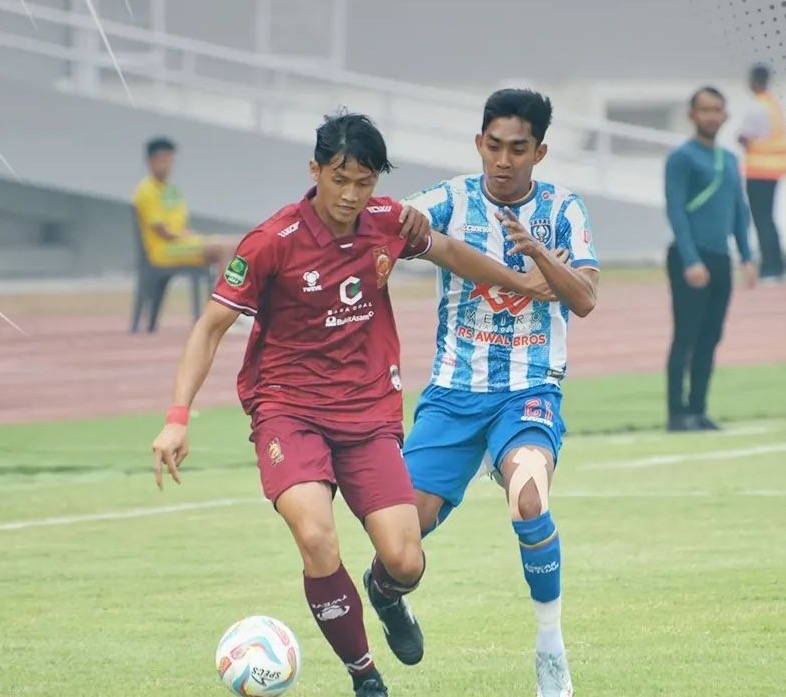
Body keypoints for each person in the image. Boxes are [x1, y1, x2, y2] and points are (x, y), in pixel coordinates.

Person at [150, 111, 562, 697]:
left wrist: (518, 283)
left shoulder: (388, 221)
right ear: (315, 169)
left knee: (405, 560)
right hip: (287, 411)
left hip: (368, 417)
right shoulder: (272, 241)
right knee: (317, 536)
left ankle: (388, 597)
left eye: (363, 182)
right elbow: (211, 326)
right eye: (339, 179)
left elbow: (447, 250)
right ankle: (364, 675)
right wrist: (176, 418)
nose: (350, 195)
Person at [363, 88, 599, 697]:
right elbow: (386, 217)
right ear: (479, 144)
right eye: (493, 146)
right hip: (452, 394)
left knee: (528, 496)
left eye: (517, 149)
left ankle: (550, 647)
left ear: (539, 152)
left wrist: (541, 255)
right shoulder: (451, 199)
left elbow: (585, 298)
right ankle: (386, 597)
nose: (503, 160)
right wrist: (401, 219)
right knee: (399, 549)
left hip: (528, 388)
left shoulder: (564, 210)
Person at [665, 87, 756, 432]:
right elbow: (676, 210)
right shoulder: (682, 158)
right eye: (704, 110)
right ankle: (677, 414)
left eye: (717, 110)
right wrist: (690, 260)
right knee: (685, 336)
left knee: (711, 337)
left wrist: (747, 255)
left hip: (720, 259)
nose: (711, 116)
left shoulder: (730, 159)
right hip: (690, 257)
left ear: (726, 115)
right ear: (692, 115)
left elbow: (739, 210)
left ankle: (698, 409)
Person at [133, 137, 240, 272]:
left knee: (240, 244)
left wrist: (191, 236)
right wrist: (189, 237)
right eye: (163, 161)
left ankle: (237, 290)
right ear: (151, 162)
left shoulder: (172, 189)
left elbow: (181, 222)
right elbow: (163, 232)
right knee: (224, 249)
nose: (168, 165)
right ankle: (225, 292)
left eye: (170, 161)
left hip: (184, 242)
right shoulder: (146, 190)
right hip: (165, 250)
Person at [738, 63, 786, 282]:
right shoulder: (773, 105)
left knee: (762, 220)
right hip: (775, 168)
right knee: (769, 219)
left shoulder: (756, 107)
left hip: (758, 170)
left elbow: (745, 137)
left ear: (754, 81)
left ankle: (770, 268)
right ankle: (778, 265)